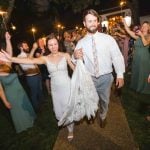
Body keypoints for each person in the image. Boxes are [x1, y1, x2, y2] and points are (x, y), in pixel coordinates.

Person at [0, 34, 75, 141]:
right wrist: (11, 58)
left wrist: (79, 61)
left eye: (55, 44)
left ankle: (70, 129)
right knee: (60, 110)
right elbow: (29, 61)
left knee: (68, 107)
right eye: (50, 45)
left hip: (67, 86)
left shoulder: (66, 55)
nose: (53, 47)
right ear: (47, 46)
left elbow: (74, 69)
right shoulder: (45, 58)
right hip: (56, 89)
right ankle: (66, 123)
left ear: (58, 44)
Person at [73, 9, 125, 128]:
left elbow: (117, 57)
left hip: (106, 78)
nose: (92, 23)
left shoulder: (108, 39)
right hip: (89, 78)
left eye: (94, 21)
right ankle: (91, 114)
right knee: (91, 100)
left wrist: (120, 75)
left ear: (98, 22)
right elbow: (75, 61)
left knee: (105, 100)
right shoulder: (80, 42)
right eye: (89, 21)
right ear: (84, 23)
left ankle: (102, 115)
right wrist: (75, 56)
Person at [0, 32, 36, 133]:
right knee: (18, 111)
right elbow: (0, 90)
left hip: (20, 90)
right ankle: (23, 127)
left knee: (25, 106)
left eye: (2, 57)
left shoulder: (7, 66)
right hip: (11, 95)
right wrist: (5, 101)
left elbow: (9, 53)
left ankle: (30, 121)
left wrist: (7, 40)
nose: (2, 59)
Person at [122, 19, 150, 94]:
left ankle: (143, 88)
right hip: (137, 57)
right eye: (143, 26)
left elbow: (145, 44)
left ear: (148, 28)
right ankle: (136, 86)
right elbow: (128, 31)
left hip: (144, 58)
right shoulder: (138, 36)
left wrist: (141, 35)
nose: (143, 27)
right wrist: (124, 23)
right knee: (136, 71)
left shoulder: (148, 36)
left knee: (143, 73)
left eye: (145, 26)